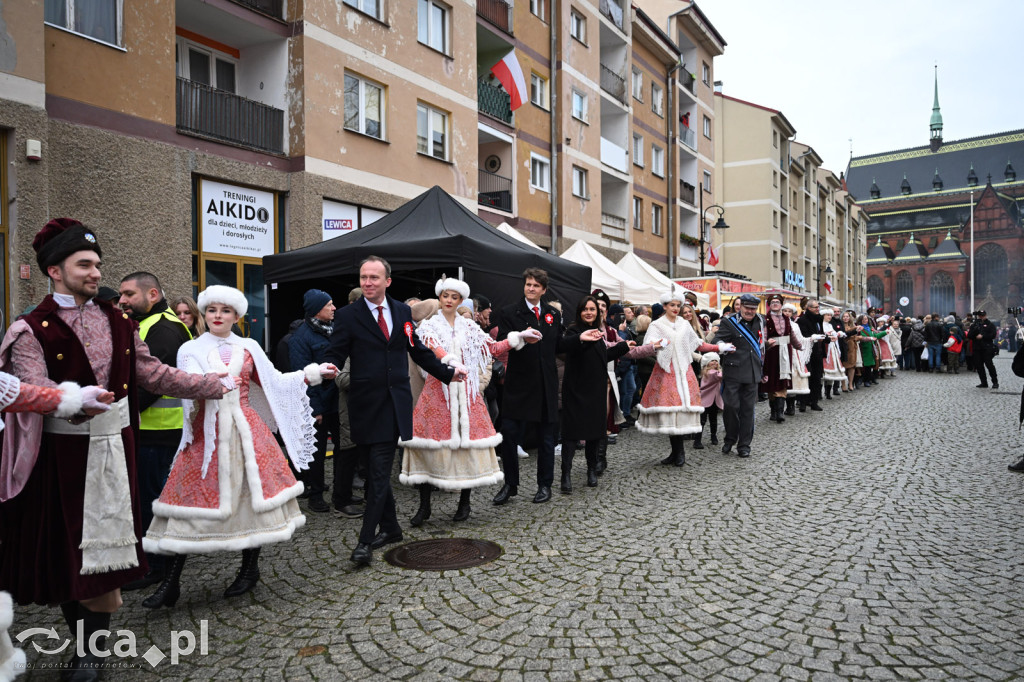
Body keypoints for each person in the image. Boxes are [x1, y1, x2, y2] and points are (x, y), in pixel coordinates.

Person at [0, 218, 231, 680]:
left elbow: (152, 373)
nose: (94, 272)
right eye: (83, 264)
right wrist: (71, 401)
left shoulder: (119, 320)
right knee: (70, 555)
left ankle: (92, 653)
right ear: (53, 270)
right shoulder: (31, 328)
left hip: (116, 450)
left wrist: (208, 385)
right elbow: (32, 385)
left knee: (108, 557)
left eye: (96, 264)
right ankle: (85, 647)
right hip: (60, 459)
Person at [142, 286, 336, 608]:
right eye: (212, 310)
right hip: (207, 436)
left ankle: (249, 569)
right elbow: (186, 385)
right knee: (187, 502)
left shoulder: (249, 346)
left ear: (237, 316)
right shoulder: (190, 348)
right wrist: (207, 383)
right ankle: (171, 582)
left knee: (252, 499)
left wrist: (312, 374)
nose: (218, 316)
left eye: (225, 310)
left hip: (248, 432)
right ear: (205, 313)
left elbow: (273, 381)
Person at [326, 257, 465, 566]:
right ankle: (391, 528)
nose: (368, 282)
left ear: (388, 281)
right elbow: (335, 352)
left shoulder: (402, 312)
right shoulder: (348, 316)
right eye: (363, 277)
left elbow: (418, 350)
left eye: (374, 277)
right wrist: (326, 367)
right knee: (372, 471)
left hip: (394, 405)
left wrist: (447, 373)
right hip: (363, 405)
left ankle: (364, 542)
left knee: (378, 473)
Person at [400, 276, 524, 523]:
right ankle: (424, 507)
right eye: (445, 296)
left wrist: (517, 338)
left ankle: (464, 503)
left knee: (467, 448)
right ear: (439, 297)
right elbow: (433, 349)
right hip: (438, 392)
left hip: (467, 394)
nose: (448, 300)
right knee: (428, 449)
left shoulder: (470, 327)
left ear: (460, 301)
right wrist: (449, 360)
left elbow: (492, 348)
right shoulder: (429, 326)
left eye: (454, 297)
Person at [117, 272, 195, 594]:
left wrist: (120, 412)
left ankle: (157, 566)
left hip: (159, 433)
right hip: (155, 431)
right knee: (153, 498)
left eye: (128, 294)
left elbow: (152, 385)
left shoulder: (161, 329)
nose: (122, 300)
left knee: (154, 501)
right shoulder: (154, 324)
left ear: (151, 294)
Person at [560, 296, 655, 489]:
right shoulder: (573, 330)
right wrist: (581, 338)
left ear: (598, 313)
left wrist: (622, 346)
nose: (589, 312)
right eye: (585, 309)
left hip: (595, 389)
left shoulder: (599, 333)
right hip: (576, 390)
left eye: (592, 309)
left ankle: (591, 471)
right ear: (579, 312)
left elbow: (603, 355)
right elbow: (565, 346)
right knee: (571, 434)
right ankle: (566, 475)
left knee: (595, 433)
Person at [493, 268, 564, 505]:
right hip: (518, 383)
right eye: (528, 284)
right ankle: (510, 484)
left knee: (546, 438)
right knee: (509, 436)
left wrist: (581, 339)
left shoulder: (552, 313)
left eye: (535, 285)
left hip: (545, 383)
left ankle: (545, 485)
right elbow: (502, 341)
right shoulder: (509, 312)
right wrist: (520, 336)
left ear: (544, 289)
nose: (531, 288)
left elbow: (560, 344)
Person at [638, 288, 730, 466]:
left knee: (681, 412)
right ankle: (676, 452)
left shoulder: (684, 324)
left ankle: (679, 453)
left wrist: (719, 348)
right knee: (673, 413)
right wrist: (656, 345)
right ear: (664, 306)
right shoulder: (656, 325)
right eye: (672, 305)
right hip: (667, 373)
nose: (675, 308)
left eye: (678, 305)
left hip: (684, 372)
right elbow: (648, 344)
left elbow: (698, 344)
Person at [288, 289, 340, 514]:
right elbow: (303, 377)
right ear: (317, 309)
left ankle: (341, 492)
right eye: (329, 305)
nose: (334, 308)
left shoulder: (335, 330)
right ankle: (316, 494)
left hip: (339, 401)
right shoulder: (301, 337)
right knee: (317, 453)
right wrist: (315, 409)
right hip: (318, 405)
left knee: (344, 448)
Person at [710, 293, 763, 458]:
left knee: (748, 410)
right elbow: (715, 341)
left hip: (753, 372)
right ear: (740, 307)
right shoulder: (729, 322)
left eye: (753, 309)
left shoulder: (761, 322)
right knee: (731, 407)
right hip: (733, 372)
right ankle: (730, 438)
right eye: (747, 308)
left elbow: (758, 345)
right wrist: (722, 345)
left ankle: (744, 445)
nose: (750, 311)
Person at [761, 294, 802, 424]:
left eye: (777, 302)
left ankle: (780, 412)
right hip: (772, 352)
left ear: (781, 304)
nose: (775, 304)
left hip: (786, 351)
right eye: (772, 302)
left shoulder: (786, 318)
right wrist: (766, 343)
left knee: (783, 379)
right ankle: (773, 410)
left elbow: (791, 334)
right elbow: (763, 335)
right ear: (769, 304)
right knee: (772, 380)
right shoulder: (765, 319)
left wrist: (799, 346)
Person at [796, 299, 827, 411]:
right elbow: (803, 337)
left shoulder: (819, 320)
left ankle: (814, 401)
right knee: (807, 378)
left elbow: (821, 334)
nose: (817, 309)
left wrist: (827, 338)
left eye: (818, 307)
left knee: (817, 378)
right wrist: (813, 338)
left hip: (818, 352)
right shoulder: (802, 320)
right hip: (807, 353)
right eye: (815, 307)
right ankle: (803, 402)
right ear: (808, 308)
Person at [695, 353, 723, 448]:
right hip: (705, 399)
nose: (715, 362)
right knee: (702, 420)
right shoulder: (709, 373)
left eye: (716, 360)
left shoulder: (717, 372)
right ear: (707, 363)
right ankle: (697, 440)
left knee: (713, 419)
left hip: (714, 400)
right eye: (712, 361)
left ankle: (713, 436)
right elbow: (719, 376)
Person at [969, 310, 999, 389]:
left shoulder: (990, 324)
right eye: (980, 315)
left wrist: (983, 336)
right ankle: (983, 382)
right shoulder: (974, 324)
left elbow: (993, 335)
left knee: (989, 365)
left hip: (987, 348)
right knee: (979, 366)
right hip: (977, 348)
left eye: (982, 315)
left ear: (985, 315)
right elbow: (969, 336)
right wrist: (975, 332)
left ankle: (995, 382)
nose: (981, 317)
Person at [821, 308, 846, 397]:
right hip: (825, 349)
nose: (829, 317)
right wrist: (829, 335)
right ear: (823, 315)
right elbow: (822, 336)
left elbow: (833, 335)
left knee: (832, 371)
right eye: (827, 315)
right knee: (823, 371)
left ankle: (828, 392)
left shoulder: (830, 325)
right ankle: (820, 392)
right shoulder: (821, 325)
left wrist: (837, 334)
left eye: (830, 315)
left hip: (832, 349)